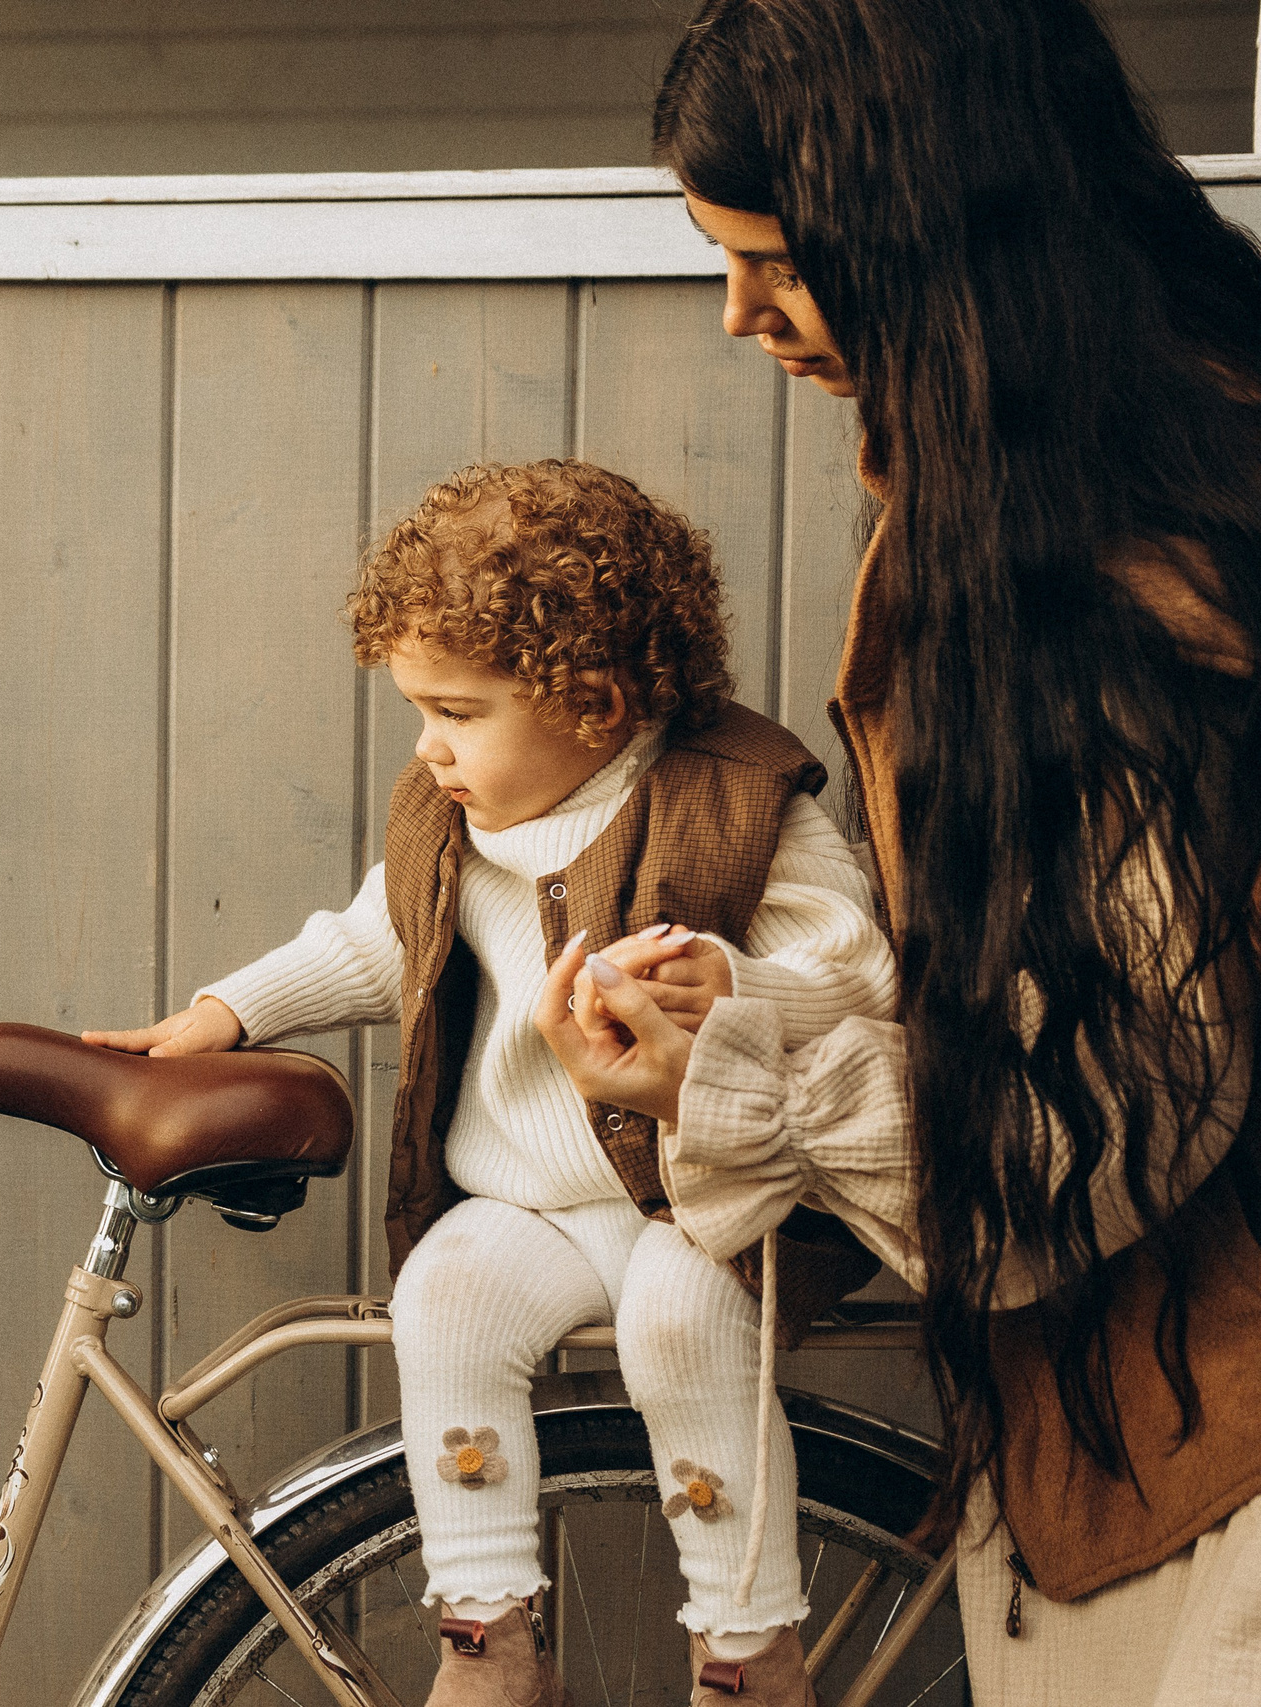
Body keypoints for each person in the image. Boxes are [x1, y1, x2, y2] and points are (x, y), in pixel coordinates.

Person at [531, 2, 1261, 1701]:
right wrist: (756, 1030)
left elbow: (1118, 1107)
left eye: (779, 261)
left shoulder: (1118, 564)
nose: (740, 316)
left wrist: (736, 1085)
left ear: (931, 230)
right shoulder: (1051, 479)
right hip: (1147, 1408)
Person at [88, 458, 895, 1707]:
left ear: (593, 700)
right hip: (528, 1204)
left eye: (457, 712)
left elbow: (851, 972)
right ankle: (485, 1639)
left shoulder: (734, 800)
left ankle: (747, 1649)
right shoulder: (449, 820)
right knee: (444, 1297)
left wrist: (732, 986)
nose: (430, 749)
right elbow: (372, 941)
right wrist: (224, 1012)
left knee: (682, 1330)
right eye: (421, 712)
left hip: (700, 1198)